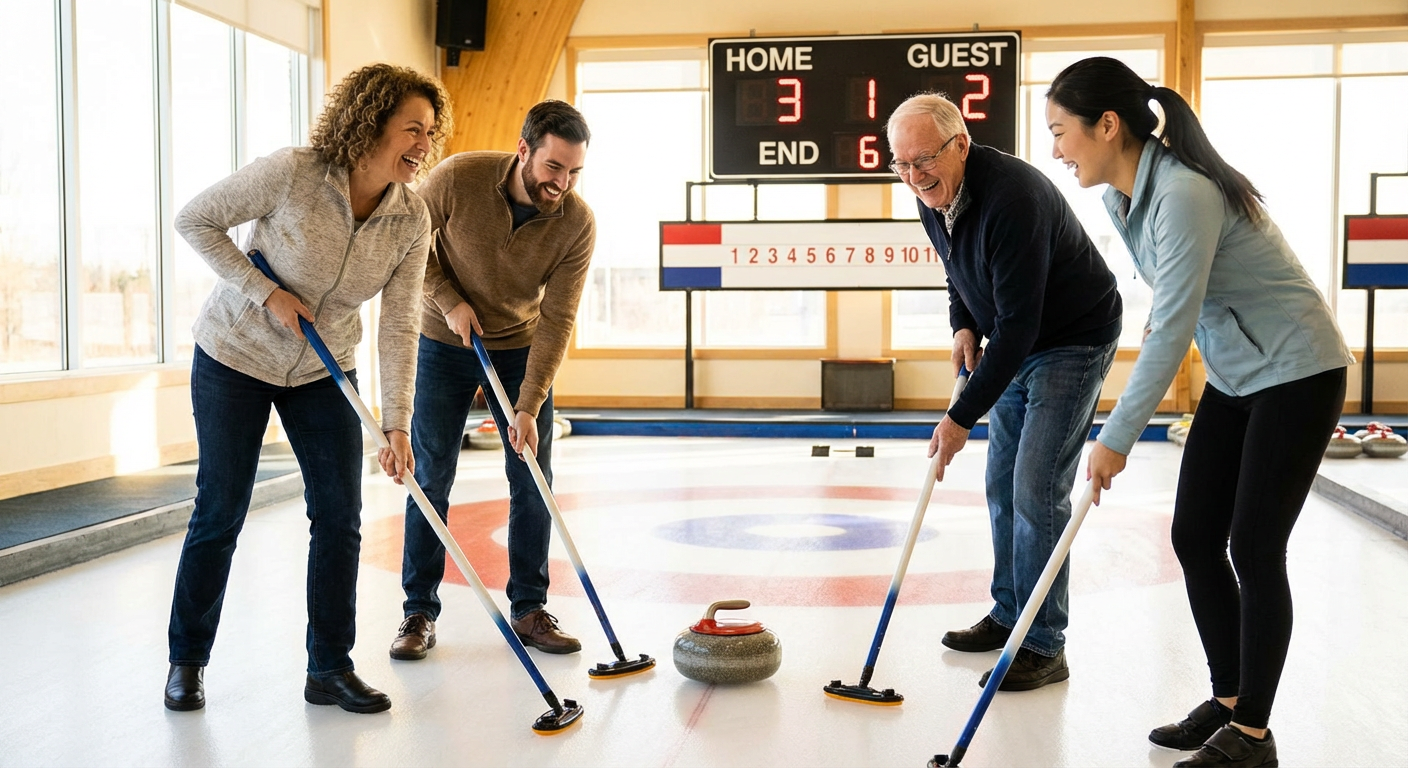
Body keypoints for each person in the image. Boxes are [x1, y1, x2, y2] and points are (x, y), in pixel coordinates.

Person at [1047, 57, 1354, 766]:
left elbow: (1177, 324)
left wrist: (1115, 435)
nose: (1057, 149)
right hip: (1239, 374)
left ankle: (1252, 735)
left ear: (1108, 125)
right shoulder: (1123, 201)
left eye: (1062, 132)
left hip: (1298, 369)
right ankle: (1228, 699)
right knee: (1194, 535)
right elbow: (1171, 307)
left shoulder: (1183, 192)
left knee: (1252, 545)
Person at [165, 64, 451, 714]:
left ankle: (329, 668)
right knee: (220, 511)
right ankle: (187, 661)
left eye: (430, 133)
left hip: (324, 369)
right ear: (371, 121)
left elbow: (401, 324)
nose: (423, 146)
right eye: (412, 129)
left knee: (340, 517)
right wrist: (267, 292)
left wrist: (397, 422)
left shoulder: (411, 219)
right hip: (235, 354)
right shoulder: (293, 171)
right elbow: (196, 220)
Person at [887, 94, 1123, 691]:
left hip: (1070, 338)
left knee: (1036, 486)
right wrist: (962, 323)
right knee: (1000, 485)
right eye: (902, 164)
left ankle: (1043, 645)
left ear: (960, 144)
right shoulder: (931, 194)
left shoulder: (1012, 197)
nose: (915, 176)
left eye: (924, 160)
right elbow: (958, 270)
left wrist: (959, 416)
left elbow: (1019, 328)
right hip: (1016, 338)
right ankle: (1009, 614)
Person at [391, 100, 595, 660]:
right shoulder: (458, 177)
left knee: (532, 474)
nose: (563, 183)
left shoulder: (576, 223)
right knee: (431, 474)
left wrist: (529, 405)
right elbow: (409, 246)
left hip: (519, 345)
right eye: (554, 167)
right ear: (524, 150)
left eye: (575, 172)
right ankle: (417, 612)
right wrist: (449, 299)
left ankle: (529, 608)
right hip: (441, 339)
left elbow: (558, 319)